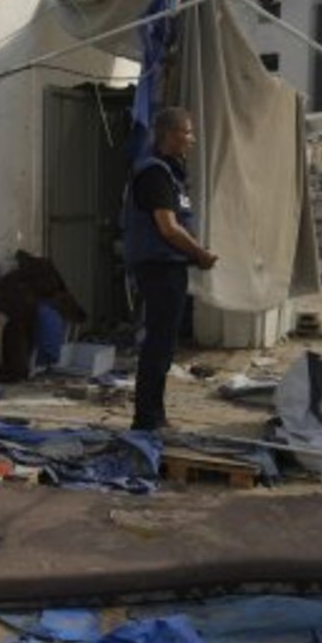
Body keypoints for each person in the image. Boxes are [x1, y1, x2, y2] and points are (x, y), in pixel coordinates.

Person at [122, 107, 218, 431]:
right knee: (158, 346)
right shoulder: (155, 173)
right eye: (187, 132)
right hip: (159, 269)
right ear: (170, 134)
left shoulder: (169, 173)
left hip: (168, 268)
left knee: (163, 345)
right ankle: (147, 419)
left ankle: (154, 416)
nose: (192, 139)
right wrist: (200, 254)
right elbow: (168, 228)